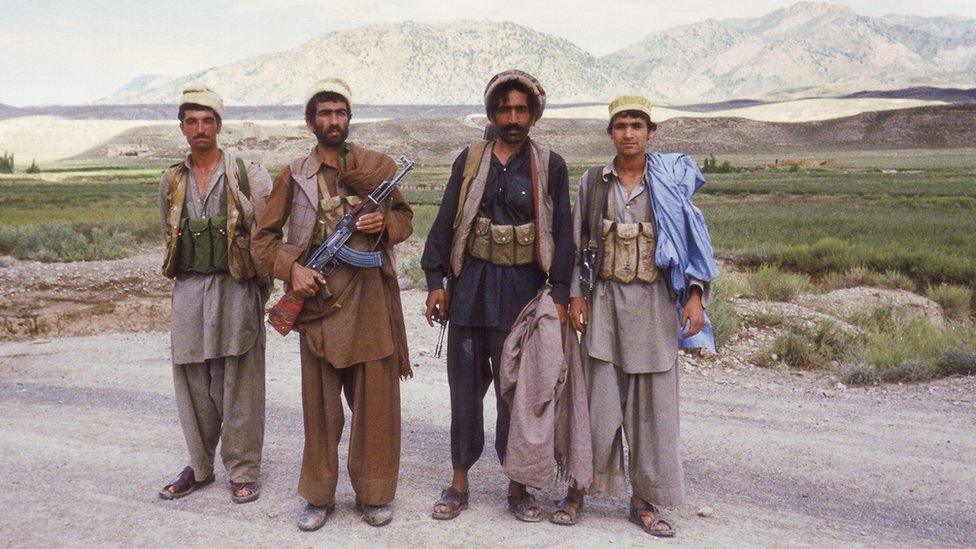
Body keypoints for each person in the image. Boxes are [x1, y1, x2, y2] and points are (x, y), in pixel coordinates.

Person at [251, 78, 413, 530]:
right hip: (318, 303)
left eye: (340, 112)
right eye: (324, 113)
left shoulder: (377, 168)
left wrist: (383, 223)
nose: (333, 120)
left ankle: (375, 494)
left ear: (349, 118)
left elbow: (405, 219)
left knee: (376, 408)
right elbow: (262, 240)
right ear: (311, 121)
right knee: (320, 411)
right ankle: (318, 496)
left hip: (370, 302)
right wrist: (293, 270)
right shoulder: (294, 175)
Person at [557, 95, 719, 536]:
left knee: (652, 409)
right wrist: (575, 296)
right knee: (595, 402)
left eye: (637, 125)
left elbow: (692, 244)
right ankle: (577, 492)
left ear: (650, 132)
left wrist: (696, 296)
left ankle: (643, 502)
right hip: (604, 303)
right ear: (610, 132)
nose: (629, 133)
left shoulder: (669, 184)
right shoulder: (593, 183)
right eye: (621, 125)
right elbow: (575, 247)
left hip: (653, 307)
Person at [421, 70, 573, 522]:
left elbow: (563, 233)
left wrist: (562, 293)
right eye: (504, 108)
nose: (512, 116)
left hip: (523, 297)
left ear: (532, 115)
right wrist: (435, 281)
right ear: (492, 113)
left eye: (520, 109)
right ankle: (459, 482)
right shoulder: (470, 159)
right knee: (464, 391)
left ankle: (517, 485)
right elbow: (447, 218)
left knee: (517, 394)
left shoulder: (550, 164)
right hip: (470, 291)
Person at [157, 85, 272, 504]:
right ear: (182, 126)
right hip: (188, 290)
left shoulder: (247, 172)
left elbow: (266, 238)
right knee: (193, 382)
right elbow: (168, 233)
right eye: (192, 120)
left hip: (236, 287)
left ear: (219, 125)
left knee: (239, 381)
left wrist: (261, 291)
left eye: (208, 120)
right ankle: (200, 465)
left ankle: (242, 470)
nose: (200, 128)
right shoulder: (171, 179)